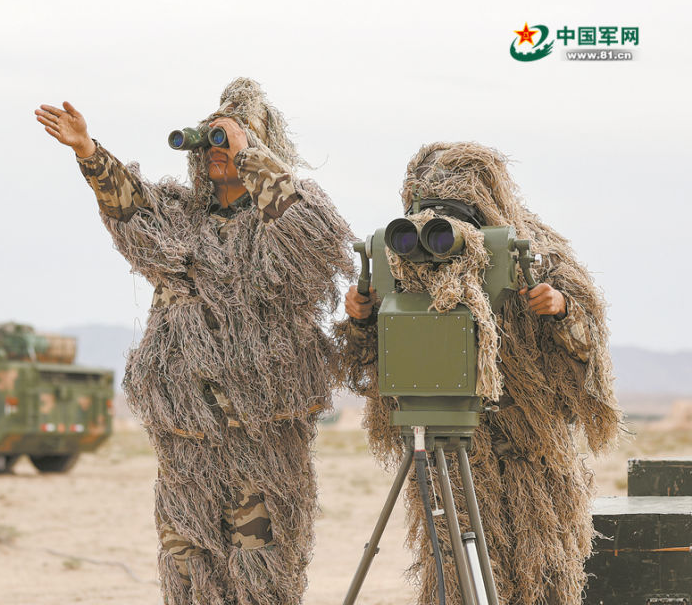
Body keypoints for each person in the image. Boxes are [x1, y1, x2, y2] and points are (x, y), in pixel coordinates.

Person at [35, 78, 354, 605]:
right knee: (185, 570)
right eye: (209, 143)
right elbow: (131, 209)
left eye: (226, 142)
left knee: (261, 574)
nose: (214, 153)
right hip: (187, 445)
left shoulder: (283, 217)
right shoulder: (181, 220)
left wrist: (249, 152)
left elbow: (308, 241)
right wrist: (90, 152)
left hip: (260, 445)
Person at [336, 141, 621, 605]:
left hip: (532, 451)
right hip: (444, 445)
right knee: (453, 571)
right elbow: (372, 359)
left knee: (541, 575)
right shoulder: (404, 250)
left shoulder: (536, 249)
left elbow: (590, 347)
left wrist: (562, 306)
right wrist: (361, 316)